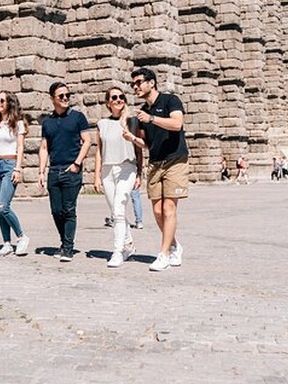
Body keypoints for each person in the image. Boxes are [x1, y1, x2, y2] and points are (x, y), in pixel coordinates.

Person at [125, 67, 188, 272]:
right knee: (158, 210)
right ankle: (174, 245)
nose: (135, 86)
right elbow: (148, 144)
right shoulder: (144, 111)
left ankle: (163, 254)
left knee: (169, 208)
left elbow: (177, 124)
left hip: (175, 160)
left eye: (139, 82)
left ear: (151, 83)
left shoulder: (170, 101)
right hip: (155, 162)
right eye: (133, 84)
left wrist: (151, 119)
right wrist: (133, 138)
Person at [38, 82, 91, 262]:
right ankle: (64, 243)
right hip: (54, 170)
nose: (65, 98)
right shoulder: (47, 122)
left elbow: (88, 141)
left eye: (67, 95)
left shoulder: (78, 117)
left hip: (71, 170)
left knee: (69, 210)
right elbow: (44, 147)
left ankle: (68, 248)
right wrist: (41, 171)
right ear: (52, 99)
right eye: (61, 96)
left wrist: (77, 163)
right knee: (56, 210)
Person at [94, 87, 142, 268]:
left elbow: (138, 149)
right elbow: (98, 151)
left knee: (120, 208)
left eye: (121, 97)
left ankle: (117, 251)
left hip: (127, 168)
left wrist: (139, 173)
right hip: (107, 170)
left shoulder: (131, 121)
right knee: (115, 212)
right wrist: (97, 176)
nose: (118, 99)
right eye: (114, 97)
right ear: (108, 102)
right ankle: (129, 244)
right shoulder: (101, 124)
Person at [0, 91, 30, 256]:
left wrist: (18, 169)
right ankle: (6, 243)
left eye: (2, 100)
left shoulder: (18, 124)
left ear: (10, 103)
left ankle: (22, 237)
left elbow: (20, 147)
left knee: (4, 206)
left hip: (10, 164)